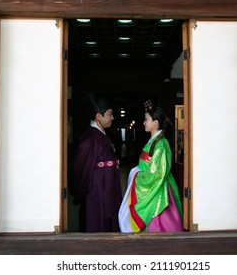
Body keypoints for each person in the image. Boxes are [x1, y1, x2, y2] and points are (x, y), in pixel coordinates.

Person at [119, 100, 183, 232]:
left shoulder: (161, 145)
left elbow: (156, 174)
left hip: (158, 188)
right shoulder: (154, 141)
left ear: (155, 123)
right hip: (155, 185)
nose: (144, 122)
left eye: (146, 119)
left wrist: (137, 174)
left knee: (157, 224)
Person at [71, 92, 122, 232]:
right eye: (110, 114)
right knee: (96, 220)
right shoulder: (89, 139)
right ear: (98, 116)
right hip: (96, 190)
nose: (113, 117)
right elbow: (79, 168)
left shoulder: (101, 134)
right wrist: (81, 190)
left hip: (107, 186)